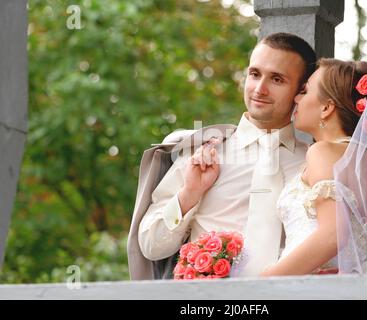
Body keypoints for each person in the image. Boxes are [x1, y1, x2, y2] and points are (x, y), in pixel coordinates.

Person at [134, 32, 317, 278]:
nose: (259, 89)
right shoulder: (201, 152)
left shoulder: (313, 164)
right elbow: (150, 246)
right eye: (254, 74)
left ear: (301, 89)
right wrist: (189, 194)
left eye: (276, 79)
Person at [259, 58, 367, 276]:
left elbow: (334, 234)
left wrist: (269, 277)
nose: (296, 97)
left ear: (326, 107)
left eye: (305, 91)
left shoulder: (322, 152)